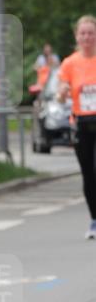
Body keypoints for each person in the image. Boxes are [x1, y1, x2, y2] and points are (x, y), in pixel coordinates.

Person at [57, 15, 96, 239]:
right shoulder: (70, 63)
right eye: (83, 33)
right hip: (81, 122)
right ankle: (94, 219)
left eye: (90, 33)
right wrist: (61, 93)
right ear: (77, 37)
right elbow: (62, 92)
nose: (87, 37)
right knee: (88, 175)